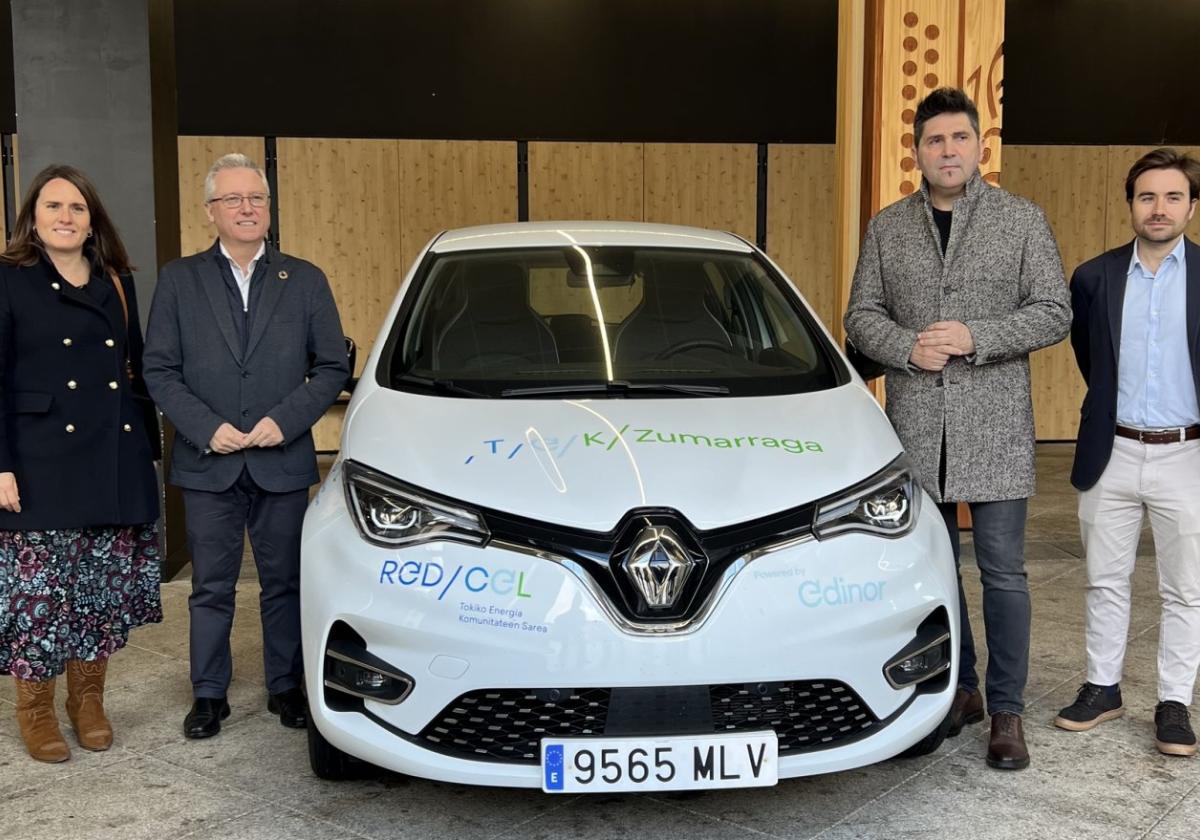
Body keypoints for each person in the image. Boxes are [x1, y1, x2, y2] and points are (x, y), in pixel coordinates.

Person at [844, 88, 1071, 770]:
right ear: (916, 151)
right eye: (935, 140)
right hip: (916, 427)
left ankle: (1007, 709)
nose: (947, 151)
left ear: (979, 147)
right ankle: (958, 691)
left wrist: (978, 336)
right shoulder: (887, 227)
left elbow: (1054, 310)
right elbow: (861, 316)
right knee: (934, 575)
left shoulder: (1020, 221)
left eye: (959, 139)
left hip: (995, 425)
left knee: (1003, 574)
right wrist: (906, 346)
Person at [143, 153, 347, 739]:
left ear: (268, 206)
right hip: (208, 464)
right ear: (211, 212)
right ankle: (208, 694)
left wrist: (284, 422)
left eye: (255, 198)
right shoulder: (180, 280)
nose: (247, 208)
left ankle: (285, 686)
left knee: (284, 582)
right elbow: (159, 370)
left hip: (281, 460)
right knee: (211, 587)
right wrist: (205, 427)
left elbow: (331, 366)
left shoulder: (304, 279)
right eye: (233, 199)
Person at [0, 164, 162, 762]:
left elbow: (137, 372)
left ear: (92, 219)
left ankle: (87, 702)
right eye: (53, 207)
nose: (65, 217)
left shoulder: (116, 281)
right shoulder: (9, 278)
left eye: (77, 207)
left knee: (97, 592)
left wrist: (146, 452)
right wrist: (0, 465)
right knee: (38, 597)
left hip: (109, 455)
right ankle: (36, 710)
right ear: (33, 219)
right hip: (37, 459)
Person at [1055, 148, 1200, 757]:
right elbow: (1092, 360)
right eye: (1147, 196)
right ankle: (1103, 687)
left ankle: (1174, 702)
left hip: (1186, 454)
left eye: (1172, 197)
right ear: (1131, 205)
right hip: (1111, 450)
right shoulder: (1094, 276)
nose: (1159, 208)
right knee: (1104, 580)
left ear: (1192, 206)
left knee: (1185, 588)